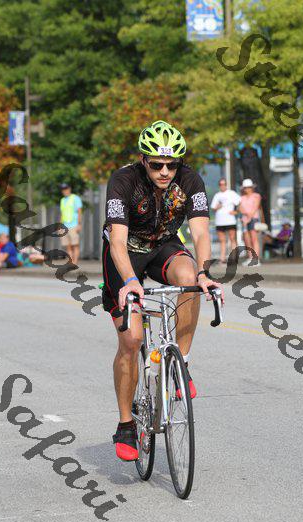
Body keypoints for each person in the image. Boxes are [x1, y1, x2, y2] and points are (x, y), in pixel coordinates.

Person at [102, 120, 223, 462]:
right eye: (156, 164)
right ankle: (126, 425)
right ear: (143, 160)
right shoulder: (123, 181)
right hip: (125, 254)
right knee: (132, 340)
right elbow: (118, 241)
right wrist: (130, 281)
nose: (165, 171)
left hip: (163, 245)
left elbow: (200, 233)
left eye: (172, 164)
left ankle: (180, 364)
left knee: (189, 276)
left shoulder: (190, 180)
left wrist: (205, 273)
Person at [210, 178, 239, 264]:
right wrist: (217, 207)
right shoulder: (217, 195)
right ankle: (222, 258)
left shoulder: (231, 193)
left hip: (230, 220)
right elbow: (213, 208)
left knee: (232, 239)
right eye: (220, 184)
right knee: (222, 240)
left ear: (226, 185)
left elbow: (240, 202)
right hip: (220, 221)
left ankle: (234, 258)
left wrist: (236, 211)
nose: (222, 186)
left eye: (224, 184)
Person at [238, 179, 263, 266]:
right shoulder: (241, 198)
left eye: (249, 187)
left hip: (253, 219)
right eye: (245, 187)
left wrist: (249, 217)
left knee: (254, 239)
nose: (247, 189)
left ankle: (256, 259)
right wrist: (245, 217)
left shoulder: (256, 196)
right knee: (247, 240)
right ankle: (250, 258)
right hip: (244, 220)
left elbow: (255, 207)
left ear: (252, 188)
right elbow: (240, 208)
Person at [59, 183, 83, 264]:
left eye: (66, 189)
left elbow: (79, 212)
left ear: (69, 189)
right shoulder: (62, 200)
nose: (64, 191)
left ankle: (75, 262)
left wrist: (79, 224)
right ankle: (71, 262)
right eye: (63, 189)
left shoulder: (75, 198)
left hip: (74, 225)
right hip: (65, 225)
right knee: (68, 246)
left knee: (75, 244)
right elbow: (62, 214)